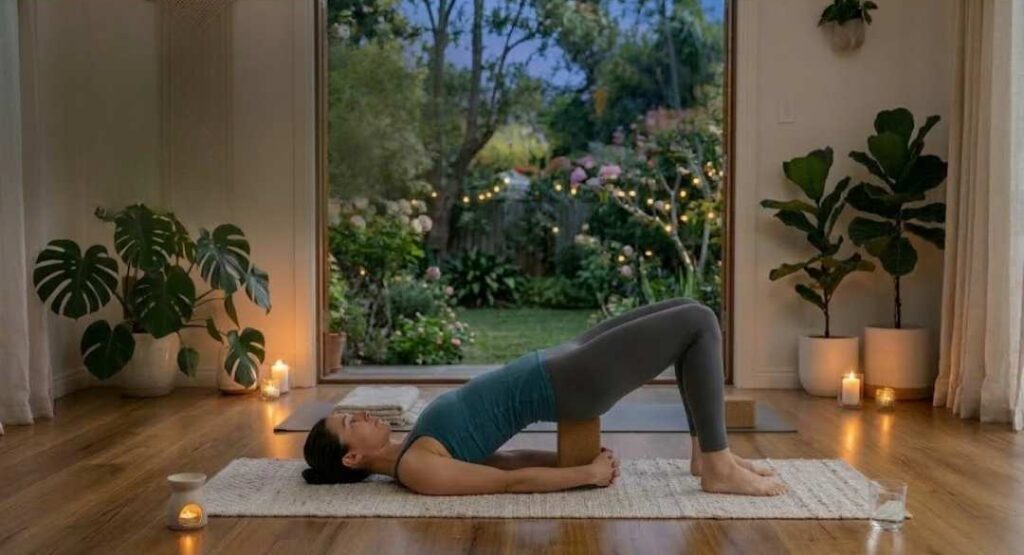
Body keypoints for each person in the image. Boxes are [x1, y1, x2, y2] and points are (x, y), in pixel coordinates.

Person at [302, 297, 787, 496]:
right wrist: (584, 474)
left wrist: (566, 460)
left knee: (686, 311)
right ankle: (718, 468)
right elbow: (506, 484)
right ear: (352, 459)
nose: (360, 414)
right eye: (350, 424)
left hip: (558, 361)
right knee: (699, 322)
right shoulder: (416, 469)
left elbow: (503, 461)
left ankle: (706, 455)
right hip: (569, 382)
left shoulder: (413, 449)